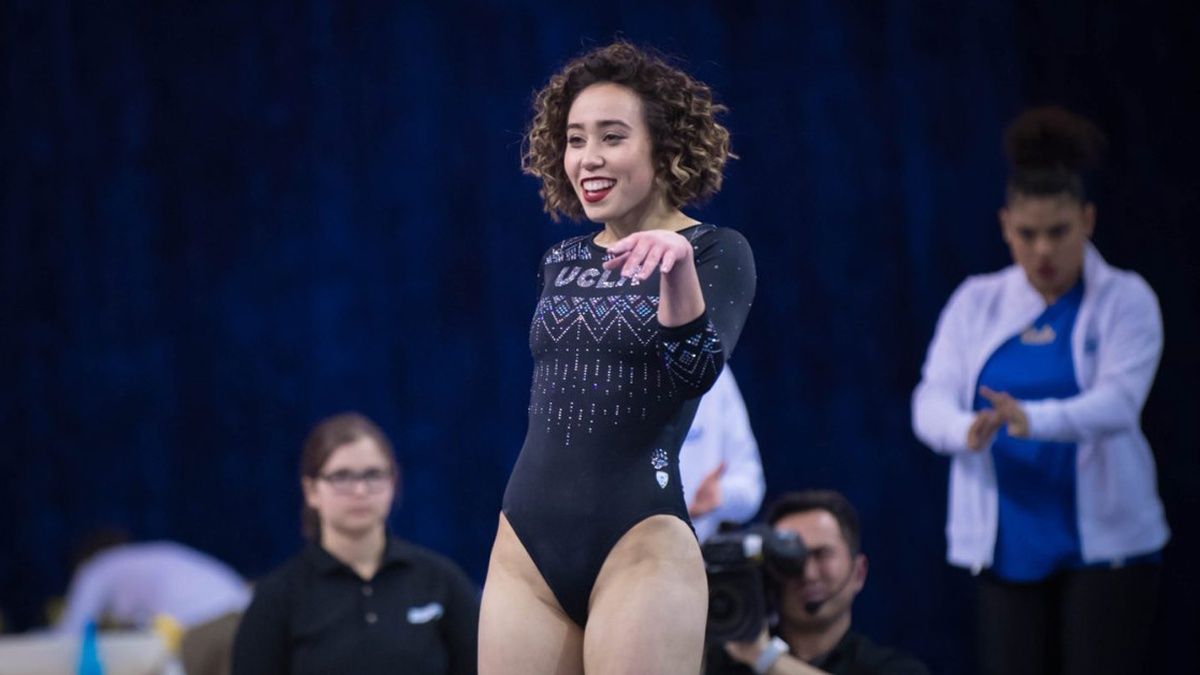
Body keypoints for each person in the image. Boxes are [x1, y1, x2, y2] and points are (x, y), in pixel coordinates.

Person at [478, 41, 756, 674]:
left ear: (665, 147)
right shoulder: (563, 259)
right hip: (524, 547)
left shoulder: (716, 250)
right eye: (575, 139)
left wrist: (677, 270)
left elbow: (696, 373)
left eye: (611, 137)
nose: (589, 158)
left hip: (640, 543)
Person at [912, 106, 1169, 675]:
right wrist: (966, 428)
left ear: (1088, 220)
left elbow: (1119, 403)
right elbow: (929, 401)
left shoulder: (1127, 300)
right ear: (1005, 226)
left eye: (1059, 232)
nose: (1043, 251)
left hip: (1108, 547)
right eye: (1027, 234)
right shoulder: (976, 301)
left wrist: (1031, 418)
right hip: (1008, 542)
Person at [231, 412, 478, 675]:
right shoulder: (278, 597)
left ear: (393, 483)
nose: (360, 490)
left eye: (373, 475)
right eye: (342, 477)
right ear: (312, 490)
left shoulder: (441, 580)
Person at [708, 491, 929, 675]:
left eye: (822, 554)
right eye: (791, 559)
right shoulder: (724, 661)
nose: (808, 573)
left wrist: (765, 657)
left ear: (859, 572)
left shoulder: (894, 668)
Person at [57, 532, 250, 675]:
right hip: (245, 615)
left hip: (204, 622)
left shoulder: (97, 566)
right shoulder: (150, 555)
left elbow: (69, 633)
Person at [680, 367, 766, 542]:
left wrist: (722, 494)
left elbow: (750, 486)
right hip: (619, 554)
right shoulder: (612, 368)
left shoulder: (710, 368)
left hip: (697, 555)